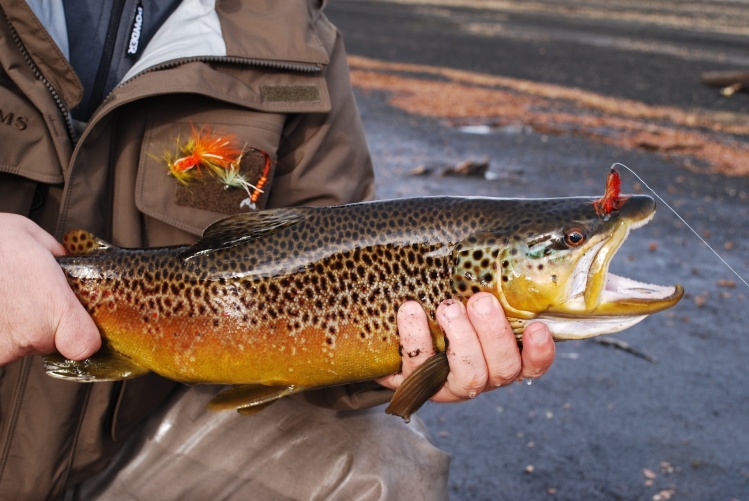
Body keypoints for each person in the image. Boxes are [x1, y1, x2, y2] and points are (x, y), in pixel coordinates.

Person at [0, 1, 555, 498]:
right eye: (567, 244)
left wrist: (390, 363)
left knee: (389, 465)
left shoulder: (295, 37)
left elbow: (337, 252)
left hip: (125, 444)